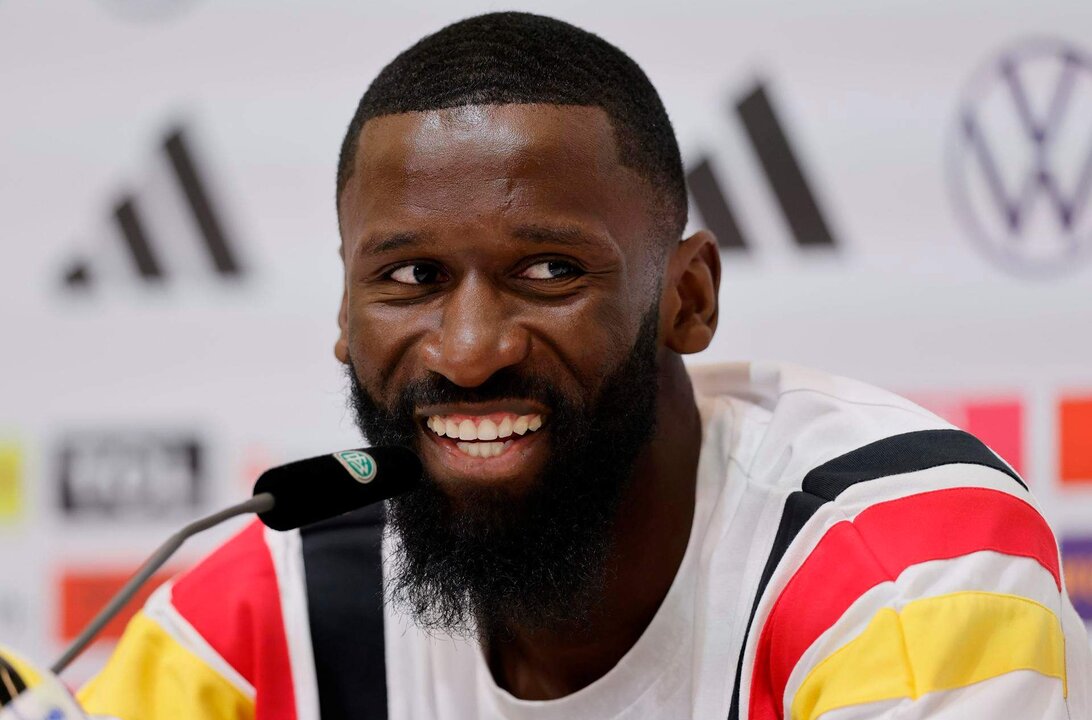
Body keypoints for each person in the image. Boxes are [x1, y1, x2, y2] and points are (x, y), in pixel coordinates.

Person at [78, 11, 1091, 720]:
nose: (471, 351)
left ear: (687, 300)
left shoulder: (902, 563)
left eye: (550, 271)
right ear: (345, 312)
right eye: (413, 277)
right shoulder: (268, 609)